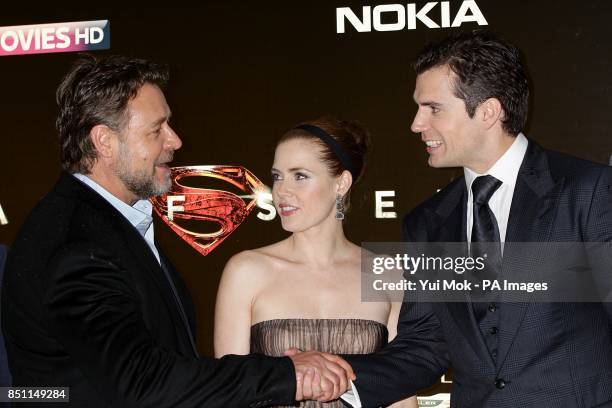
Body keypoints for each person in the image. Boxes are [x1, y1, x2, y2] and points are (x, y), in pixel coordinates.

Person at [1, 55, 354, 407]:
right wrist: (286, 375)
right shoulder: (77, 242)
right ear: (104, 142)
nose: (175, 140)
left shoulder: (110, 225)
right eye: (157, 129)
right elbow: (142, 381)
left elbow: (164, 363)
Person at [341, 30, 612, 407]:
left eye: (433, 108)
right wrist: (340, 381)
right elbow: (426, 343)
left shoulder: (590, 191)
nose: (416, 124)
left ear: (488, 111)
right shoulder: (427, 222)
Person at [214, 116, 417, 407]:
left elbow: (401, 395)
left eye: (300, 176)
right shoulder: (247, 271)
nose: (281, 191)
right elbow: (230, 392)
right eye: (277, 176)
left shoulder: (387, 274)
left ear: (341, 183)